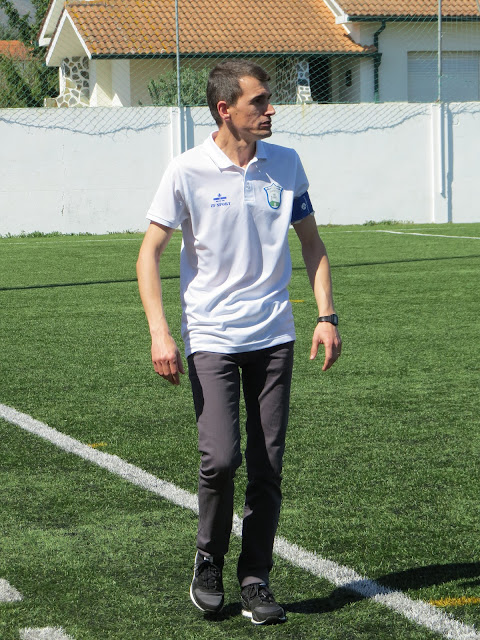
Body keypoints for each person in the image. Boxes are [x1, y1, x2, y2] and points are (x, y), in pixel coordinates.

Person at [136, 59, 341, 625]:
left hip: (274, 334)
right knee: (221, 458)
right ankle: (209, 558)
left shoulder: (286, 163)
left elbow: (313, 244)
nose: (271, 109)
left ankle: (255, 578)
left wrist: (327, 315)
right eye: (259, 102)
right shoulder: (186, 170)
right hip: (212, 335)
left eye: (269, 100)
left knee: (267, 465)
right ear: (225, 109)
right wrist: (160, 331)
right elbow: (149, 253)